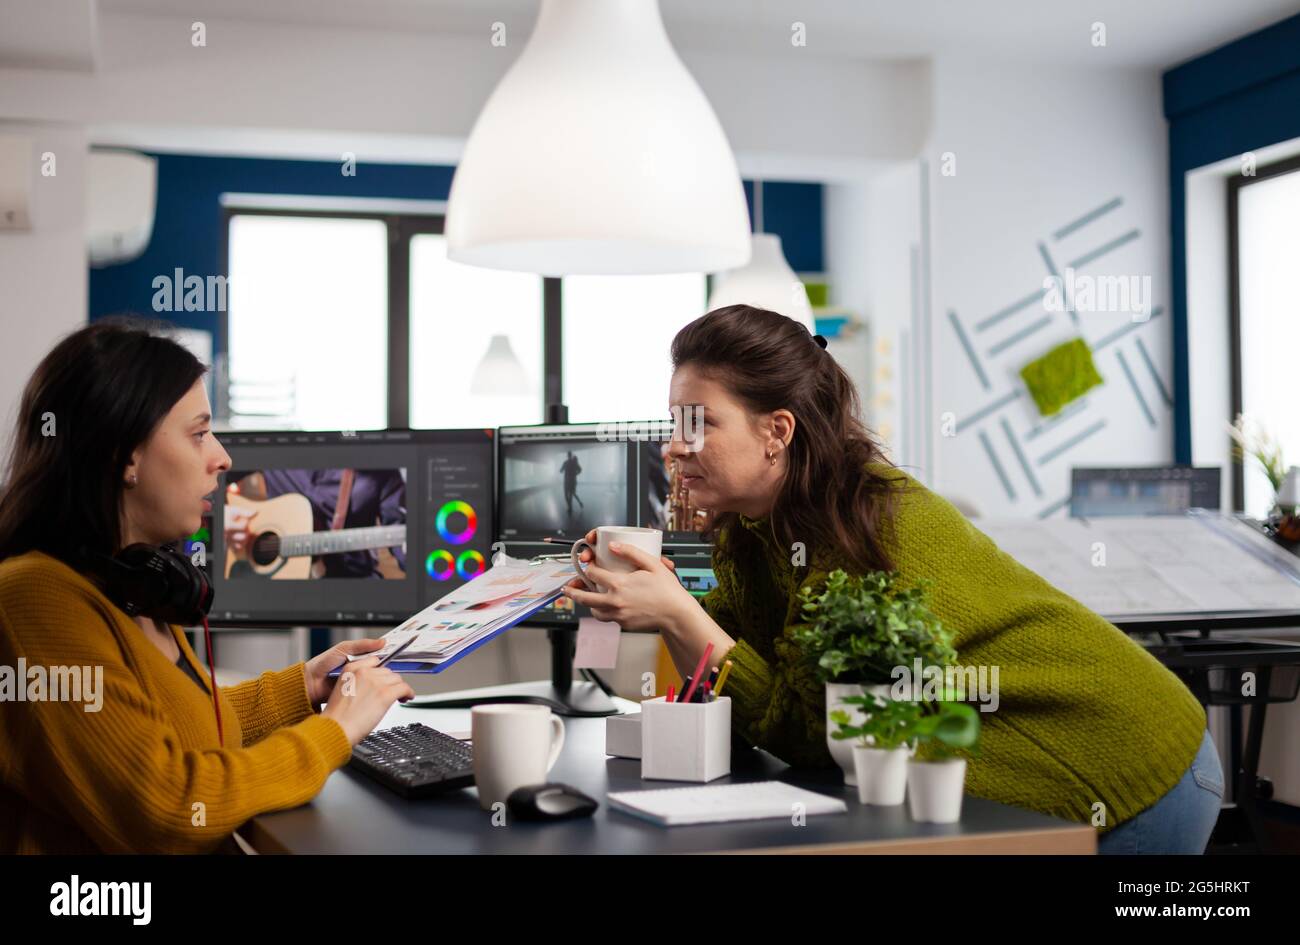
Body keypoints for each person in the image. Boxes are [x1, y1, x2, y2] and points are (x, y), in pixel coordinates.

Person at [563, 304, 1222, 854]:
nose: (671, 446)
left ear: (776, 432)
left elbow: (812, 733)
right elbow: (740, 702)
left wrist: (679, 612)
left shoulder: (871, 524)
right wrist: (669, 606)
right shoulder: (746, 529)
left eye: (697, 423)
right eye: (673, 423)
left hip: (1129, 765)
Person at [0, 319, 414, 853]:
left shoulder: (131, 583)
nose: (222, 457)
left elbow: (184, 731)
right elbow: (170, 807)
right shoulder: (36, 600)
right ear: (124, 456)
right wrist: (334, 731)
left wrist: (303, 686)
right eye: (198, 434)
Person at [560, 450, 583, 519]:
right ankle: (574, 505)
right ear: (571, 455)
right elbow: (580, 470)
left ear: (567, 456)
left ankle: (570, 507)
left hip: (567, 481)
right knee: (572, 494)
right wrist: (576, 473)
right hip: (573, 481)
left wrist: (563, 470)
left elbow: (561, 471)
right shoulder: (574, 463)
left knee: (567, 495)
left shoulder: (565, 462)